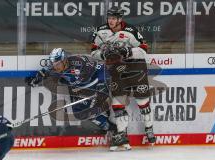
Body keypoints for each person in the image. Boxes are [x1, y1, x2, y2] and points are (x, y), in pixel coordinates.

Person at [91, 6, 155, 151]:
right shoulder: (101, 31)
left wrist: (128, 51)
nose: (110, 21)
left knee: (142, 100)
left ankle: (149, 128)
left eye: (113, 18)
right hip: (115, 70)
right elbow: (93, 52)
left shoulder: (130, 31)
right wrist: (103, 55)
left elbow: (144, 48)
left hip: (135, 68)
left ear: (120, 19)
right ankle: (121, 134)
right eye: (109, 18)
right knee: (117, 102)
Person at [25, 48, 116, 134]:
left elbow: (102, 67)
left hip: (95, 83)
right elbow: (45, 71)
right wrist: (36, 78)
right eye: (54, 64)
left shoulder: (80, 63)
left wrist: (103, 84)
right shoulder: (55, 65)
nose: (55, 67)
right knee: (80, 113)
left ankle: (113, 127)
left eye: (58, 64)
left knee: (93, 108)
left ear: (64, 60)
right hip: (80, 88)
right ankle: (108, 126)